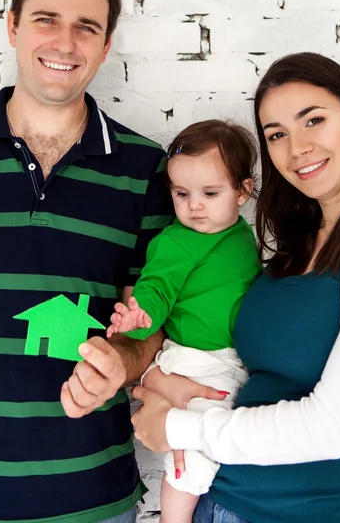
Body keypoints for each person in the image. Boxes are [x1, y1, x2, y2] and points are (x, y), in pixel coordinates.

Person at [0, 0, 222, 523]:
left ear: (105, 44)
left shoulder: (148, 170)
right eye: (46, 19)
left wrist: (122, 360)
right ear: (14, 26)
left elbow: (156, 319)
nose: (65, 43)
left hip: (95, 498)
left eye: (86, 27)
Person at [131, 52, 340, 523]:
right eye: (277, 135)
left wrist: (179, 427)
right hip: (216, 501)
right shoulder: (290, 246)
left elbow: (331, 426)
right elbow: (232, 359)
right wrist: (158, 381)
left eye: (314, 120)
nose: (298, 146)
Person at [107, 120, 261, 523]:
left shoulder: (241, 234)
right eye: (181, 193)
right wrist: (140, 316)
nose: (195, 206)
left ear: (243, 192)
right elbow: (156, 288)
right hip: (197, 358)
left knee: (218, 441)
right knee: (196, 456)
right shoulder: (177, 241)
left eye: (210, 193)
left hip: (226, 358)